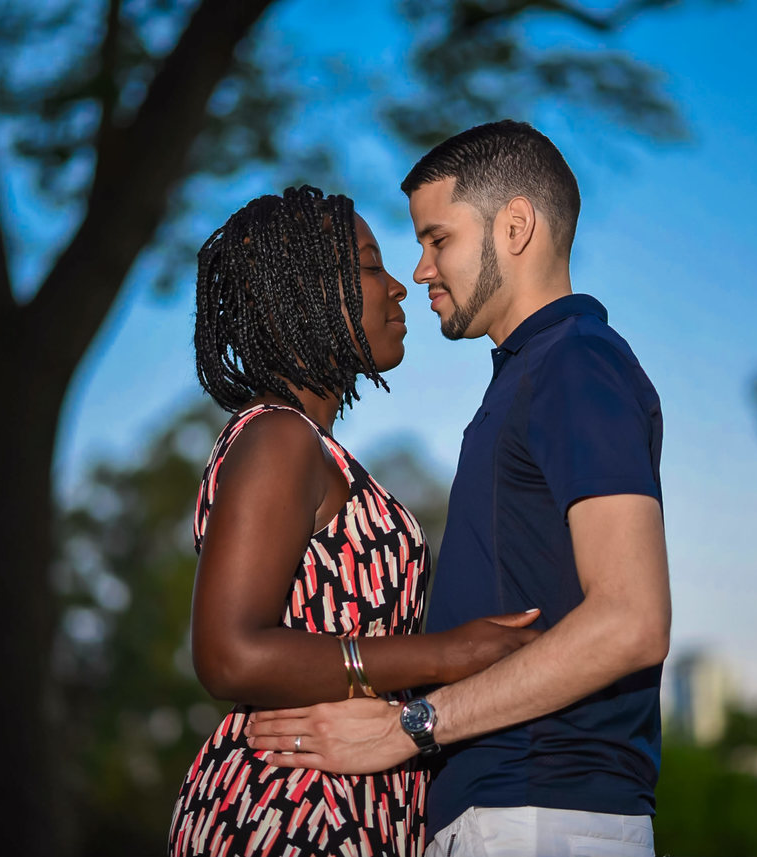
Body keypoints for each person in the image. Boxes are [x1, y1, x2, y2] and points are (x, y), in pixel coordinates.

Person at [246, 122, 671, 857]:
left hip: (540, 812)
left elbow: (632, 620)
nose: (420, 271)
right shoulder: (530, 375)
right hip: (510, 813)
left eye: (437, 239)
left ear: (515, 226)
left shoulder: (575, 361)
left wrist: (410, 726)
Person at [166, 185, 542, 857]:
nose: (399, 286)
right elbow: (228, 654)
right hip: (290, 809)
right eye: (370, 266)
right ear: (301, 294)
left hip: (349, 797)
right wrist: (448, 652)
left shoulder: (308, 447)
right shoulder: (278, 438)